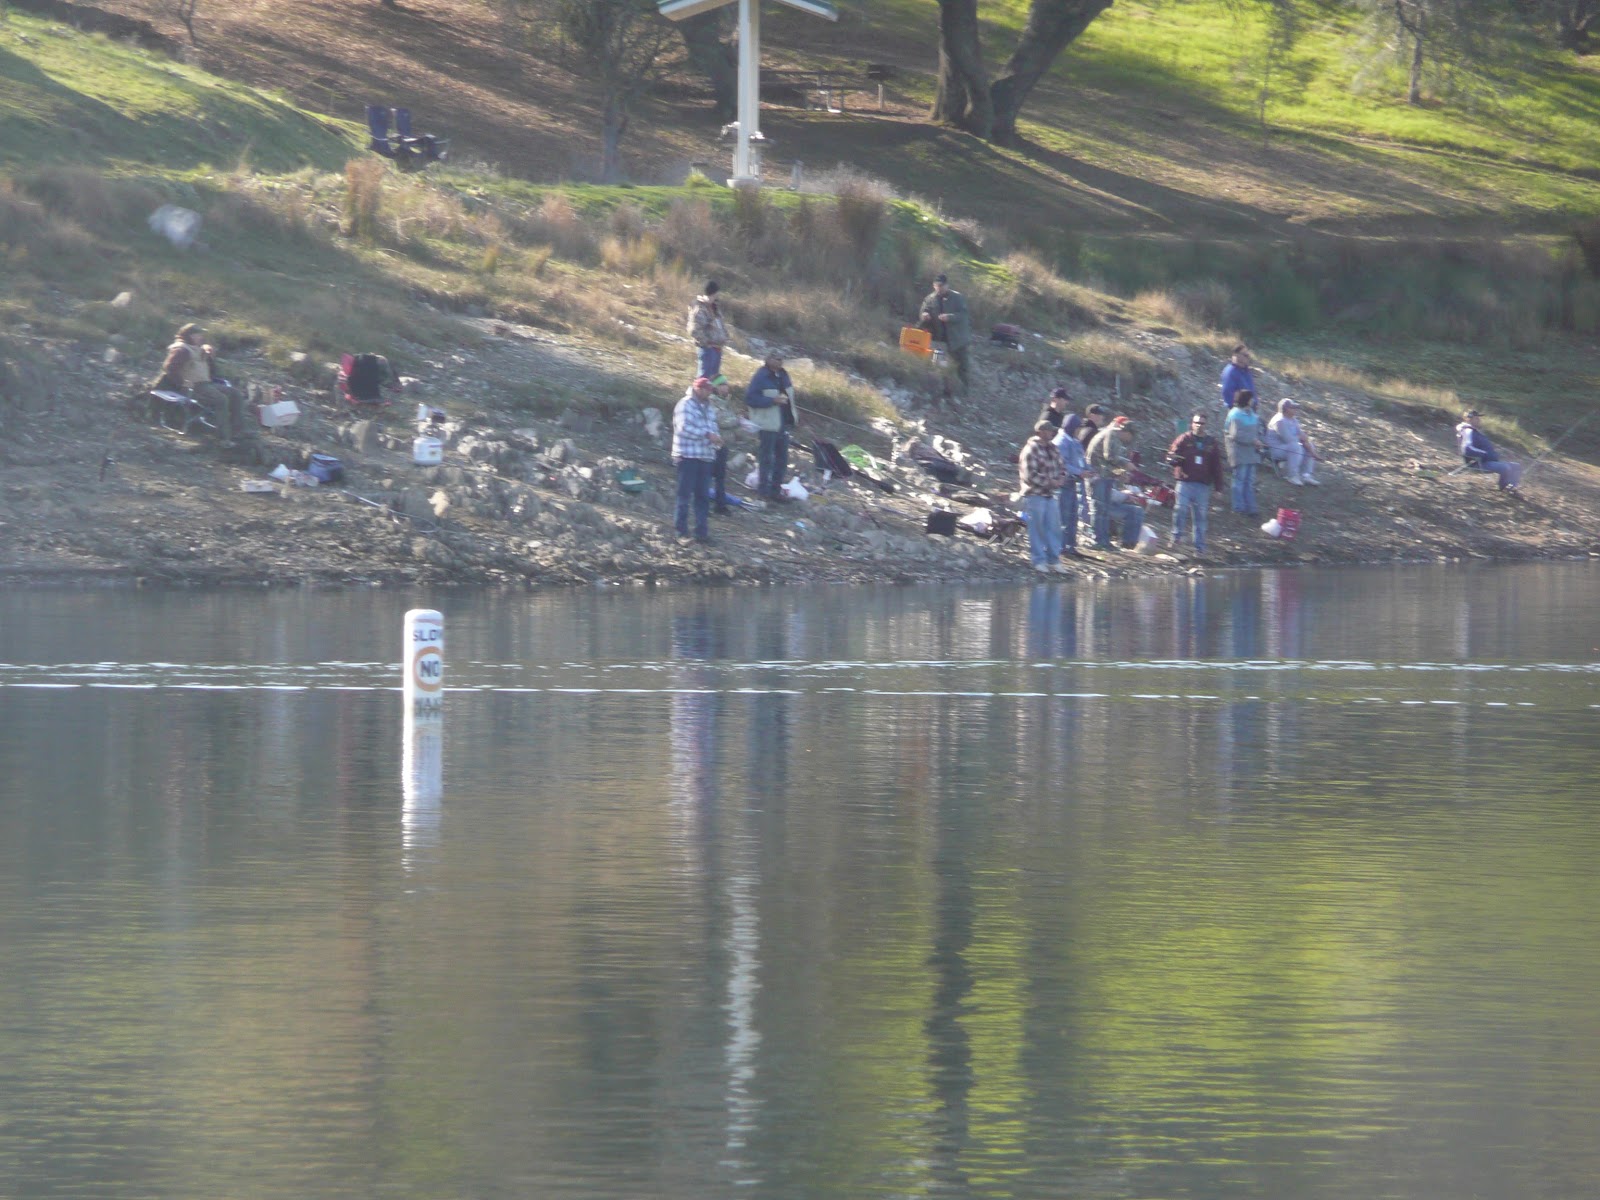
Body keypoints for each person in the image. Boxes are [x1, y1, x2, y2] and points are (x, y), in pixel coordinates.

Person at [152, 322, 244, 441]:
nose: (201, 337)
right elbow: (169, 368)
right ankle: (223, 436)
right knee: (221, 400)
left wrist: (209, 355)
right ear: (191, 336)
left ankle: (237, 430)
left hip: (207, 384)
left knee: (236, 394)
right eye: (198, 335)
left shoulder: (198, 349)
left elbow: (211, 370)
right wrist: (182, 383)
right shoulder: (181, 350)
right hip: (193, 387)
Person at [1167, 411, 1225, 556]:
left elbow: (1217, 466)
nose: (1199, 425)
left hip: (1202, 485)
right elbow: (1172, 455)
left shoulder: (1211, 443)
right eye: (1196, 423)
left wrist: (1218, 488)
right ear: (1192, 424)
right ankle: (1176, 538)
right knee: (1180, 509)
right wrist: (1172, 459)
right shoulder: (1184, 439)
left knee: (1200, 516)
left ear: (1206, 425)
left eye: (1202, 423)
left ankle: (1200, 548)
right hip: (1184, 482)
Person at [672, 377, 722, 541]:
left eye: (710, 390)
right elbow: (684, 428)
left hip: (705, 456)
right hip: (687, 455)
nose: (709, 393)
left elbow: (713, 426)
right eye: (707, 390)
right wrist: (707, 435)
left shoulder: (709, 407)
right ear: (698, 389)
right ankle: (681, 532)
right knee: (684, 495)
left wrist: (717, 439)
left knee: (703, 497)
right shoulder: (685, 404)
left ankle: (702, 533)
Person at [1017, 421, 1070, 574]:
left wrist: (1061, 478)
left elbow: (1062, 467)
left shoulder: (1053, 448)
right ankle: (1038, 560)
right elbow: (1029, 475)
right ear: (1040, 432)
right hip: (1034, 495)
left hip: (1050, 495)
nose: (1051, 433)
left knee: (1054, 529)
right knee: (1037, 529)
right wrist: (1050, 482)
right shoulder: (1030, 449)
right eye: (1048, 431)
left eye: (1052, 431)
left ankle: (1054, 560)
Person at [745, 350, 795, 501]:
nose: (779, 361)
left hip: (783, 423)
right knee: (766, 458)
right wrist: (772, 401)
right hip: (767, 423)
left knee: (782, 459)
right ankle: (763, 491)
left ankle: (775, 490)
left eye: (781, 359)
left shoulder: (784, 375)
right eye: (776, 358)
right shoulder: (761, 376)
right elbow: (750, 398)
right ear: (768, 359)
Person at [1086, 415, 1140, 550]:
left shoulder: (1111, 434)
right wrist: (1126, 464)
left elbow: (1108, 463)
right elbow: (1109, 456)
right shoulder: (1112, 434)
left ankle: (1104, 540)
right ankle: (1098, 540)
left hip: (1103, 475)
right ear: (1127, 432)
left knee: (1104, 510)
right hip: (1098, 476)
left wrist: (1120, 473)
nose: (1130, 440)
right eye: (1131, 436)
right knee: (1099, 509)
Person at [917, 273, 972, 388]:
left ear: (947, 285)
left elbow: (963, 315)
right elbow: (923, 311)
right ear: (934, 285)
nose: (939, 288)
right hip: (940, 341)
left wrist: (949, 317)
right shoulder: (929, 299)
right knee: (941, 366)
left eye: (942, 285)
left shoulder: (958, 298)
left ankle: (965, 390)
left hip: (958, 339)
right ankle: (946, 390)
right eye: (937, 285)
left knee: (962, 367)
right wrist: (924, 315)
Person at [1052, 418, 1092, 559]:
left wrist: (1088, 470)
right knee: (1063, 516)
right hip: (1063, 484)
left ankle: (1071, 546)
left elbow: (1081, 460)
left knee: (1073, 516)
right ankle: (1061, 546)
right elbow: (1062, 464)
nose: (1079, 430)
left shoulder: (1074, 441)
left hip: (1073, 483)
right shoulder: (1061, 442)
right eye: (1078, 427)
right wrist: (1079, 472)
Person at [1455, 409, 1523, 491]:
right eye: (1476, 418)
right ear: (1469, 419)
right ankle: (1504, 488)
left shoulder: (1475, 431)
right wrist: (1486, 454)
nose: (1479, 420)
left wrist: (1495, 452)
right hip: (1477, 463)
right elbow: (1467, 448)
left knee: (1516, 466)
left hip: (1485, 461)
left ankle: (1511, 487)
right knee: (1505, 467)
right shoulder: (1469, 431)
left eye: (1478, 418)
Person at [1223, 390, 1265, 516]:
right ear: (1246, 400)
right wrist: (1253, 440)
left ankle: (1251, 508)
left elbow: (1257, 431)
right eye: (1251, 399)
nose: (1253, 401)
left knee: (1249, 481)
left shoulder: (1252, 414)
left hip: (1251, 454)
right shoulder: (1234, 414)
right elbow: (1236, 435)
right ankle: (1238, 507)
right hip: (1239, 453)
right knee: (1239, 481)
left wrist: (1259, 440)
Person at [1266, 398, 1322, 486]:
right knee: (1295, 447)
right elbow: (1288, 439)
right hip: (1276, 449)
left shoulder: (1293, 419)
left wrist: (1310, 448)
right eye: (1293, 407)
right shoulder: (1279, 421)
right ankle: (1292, 476)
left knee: (1309, 445)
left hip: (1288, 447)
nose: (1295, 409)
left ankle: (1306, 475)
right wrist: (1301, 438)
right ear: (1286, 409)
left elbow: (1301, 435)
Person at [687, 281, 729, 380]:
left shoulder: (715, 307)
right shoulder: (700, 308)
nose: (718, 295)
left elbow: (720, 324)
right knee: (704, 380)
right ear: (713, 292)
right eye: (717, 293)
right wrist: (706, 344)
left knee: (714, 380)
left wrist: (725, 336)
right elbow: (694, 330)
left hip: (717, 348)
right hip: (707, 349)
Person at [1219, 344, 1256, 411]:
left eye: (1248, 355)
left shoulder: (1246, 371)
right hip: (1238, 411)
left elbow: (1252, 390)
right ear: (1236, 355)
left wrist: (1255, 403)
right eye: (1245, 355)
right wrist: (1237, 408)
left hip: (1249, 410)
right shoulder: (1230, 372)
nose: (1248, 357)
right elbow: (1227, 393)